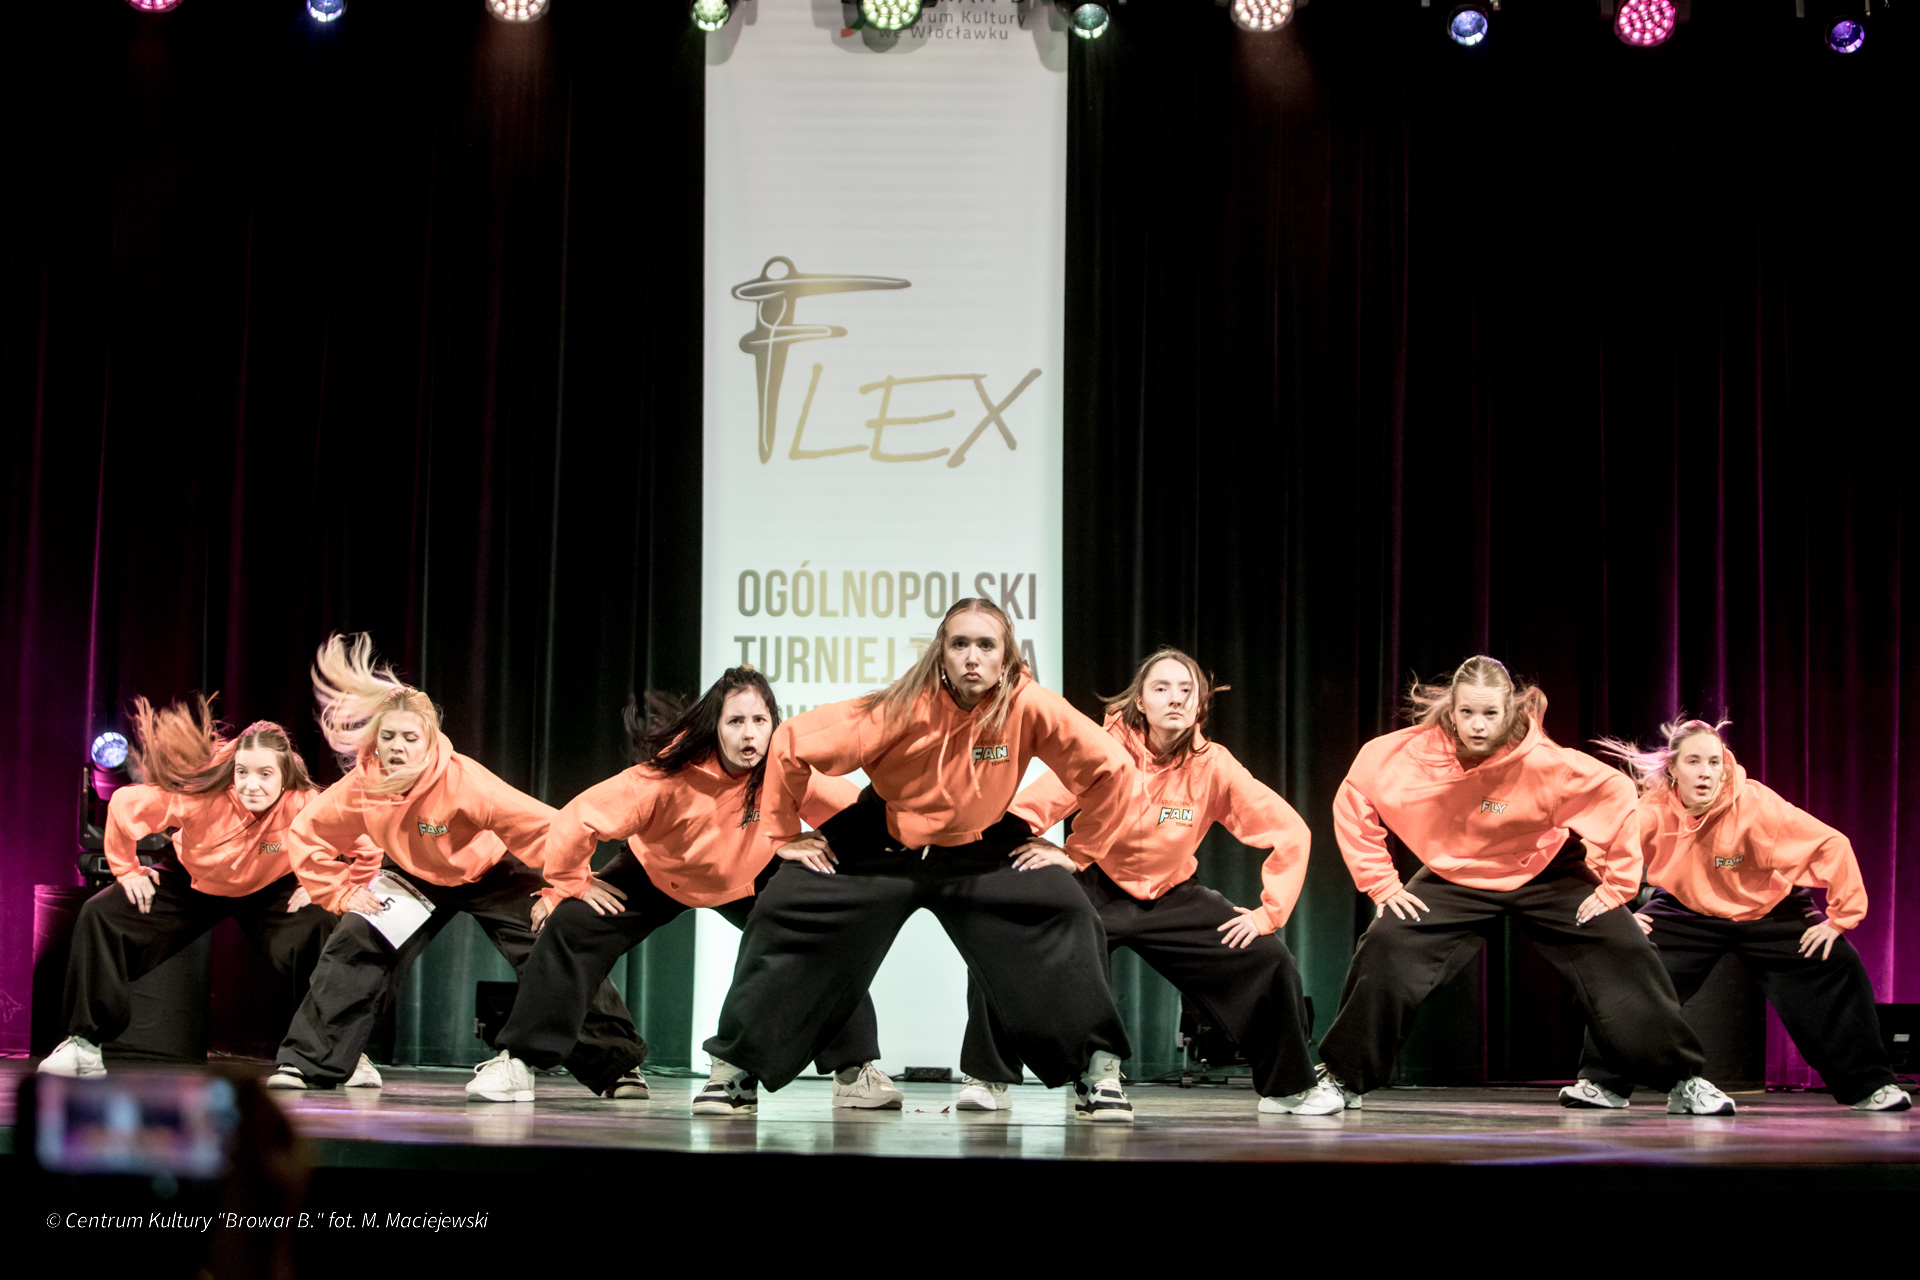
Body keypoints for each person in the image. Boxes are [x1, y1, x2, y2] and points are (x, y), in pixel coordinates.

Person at [698, 599, 1139, 1121]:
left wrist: (1078, 852)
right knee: (783, 907)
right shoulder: (900, 707)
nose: (972, 657)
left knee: (1068, 912)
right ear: (941, 653)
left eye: (986, 645)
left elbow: (1112, 768)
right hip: (884, 837)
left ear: (1005, 656)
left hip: (981, 845)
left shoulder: (1029, 704)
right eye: (959, 644)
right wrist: (782, 833)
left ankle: (1098, 1073)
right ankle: (735, 1071)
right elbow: (793, 742)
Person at [1317, 656, 1737, 1115]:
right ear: (1451, 710)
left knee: (1625, 949)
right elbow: (1354, 795)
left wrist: (1616, 887)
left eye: (1490, 713)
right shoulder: (1407, 754)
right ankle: (1343, 1078)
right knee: (1386, 946)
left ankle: (1683, 1080)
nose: (1478, 725)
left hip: (1546, 869)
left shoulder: (1543, 762)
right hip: (1456, 873)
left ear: (1509, 711)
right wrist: (1381, 883)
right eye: (1467, 712)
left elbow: (1616, 796)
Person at [466, 668, 900, 1110]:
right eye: (735, 721)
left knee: (823, 940)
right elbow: (577, 819)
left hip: (749, 875)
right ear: (715, 726)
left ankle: (854, 1070)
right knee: (572, 925)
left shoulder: (785, 768)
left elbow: (857, 812)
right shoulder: (665, 776)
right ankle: (520, 1061)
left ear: (775, 724)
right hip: (656, 874)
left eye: (759, 721)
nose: (749, 734)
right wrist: (571, 882)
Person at [955, 648, 1342, 1116]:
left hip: (1172, 894)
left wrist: (1268, 914)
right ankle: (990, 1077)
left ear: (1199, 704)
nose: (1175, 699)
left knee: (1268, 958)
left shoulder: (1214, 765)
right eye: (1161, 688)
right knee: (1004, 935)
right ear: (1140, 700)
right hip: (1097, 886)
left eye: (1186, 690)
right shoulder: (1103, 747)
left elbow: (1290, 831)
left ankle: (1288, 1087)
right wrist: (1024, 848)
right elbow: (1035, 804)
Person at [268, 634, 646, 1095]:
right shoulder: (362, 787)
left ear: (429, 741)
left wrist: (564, 888)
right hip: (412, 877)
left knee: (554, 940)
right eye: (388, 737)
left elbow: (549, 828)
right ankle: (309, 1063)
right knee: (357, 939)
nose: (398, 747)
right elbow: (307, 833)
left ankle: (618, 1066)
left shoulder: (464, 781)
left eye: (410, 737)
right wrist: (340, 892)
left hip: (490, 874)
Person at [1562, 718, 1909, 1112]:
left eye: (1714, 762)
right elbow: (1591, 855)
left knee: (1836, 963)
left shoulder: (1757, 806)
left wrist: (1841, 918)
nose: (1705, 772)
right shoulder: (1651, 811)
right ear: (1673, 768)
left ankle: (1870, 1086)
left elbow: (1831, 845)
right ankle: (1602, 1083)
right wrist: (1617, 910)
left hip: (1771, 910)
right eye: (1694, 761)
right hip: (1687, 910)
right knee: (1626, 964)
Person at [40, 697, 373, 1085]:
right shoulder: (197, 795)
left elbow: (366, 847)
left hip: (271, 886)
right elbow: (125, 805)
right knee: (102, 915)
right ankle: (84, 1044)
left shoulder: (305, 804)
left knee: (323, 925)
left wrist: (328, 887)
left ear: (284, 776)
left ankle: (340, 1052)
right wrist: (127, 870)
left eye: (265, 774)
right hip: (192, 880)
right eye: (243, 772)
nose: (251, 785)